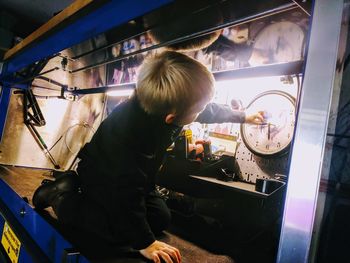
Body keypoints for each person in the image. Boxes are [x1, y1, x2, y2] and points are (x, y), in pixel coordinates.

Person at [33, 51, 263, 263]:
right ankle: (61, 195)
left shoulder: (165, 104)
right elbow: (125, 191)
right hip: (104, 178)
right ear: (171, 118)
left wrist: (244, 116)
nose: (202, 112)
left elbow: (208, 109)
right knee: (115, 234)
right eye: (197, 111)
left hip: (137, 181)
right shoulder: (131, 135)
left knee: (159, 219)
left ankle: (122, 224)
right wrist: (145, 243)